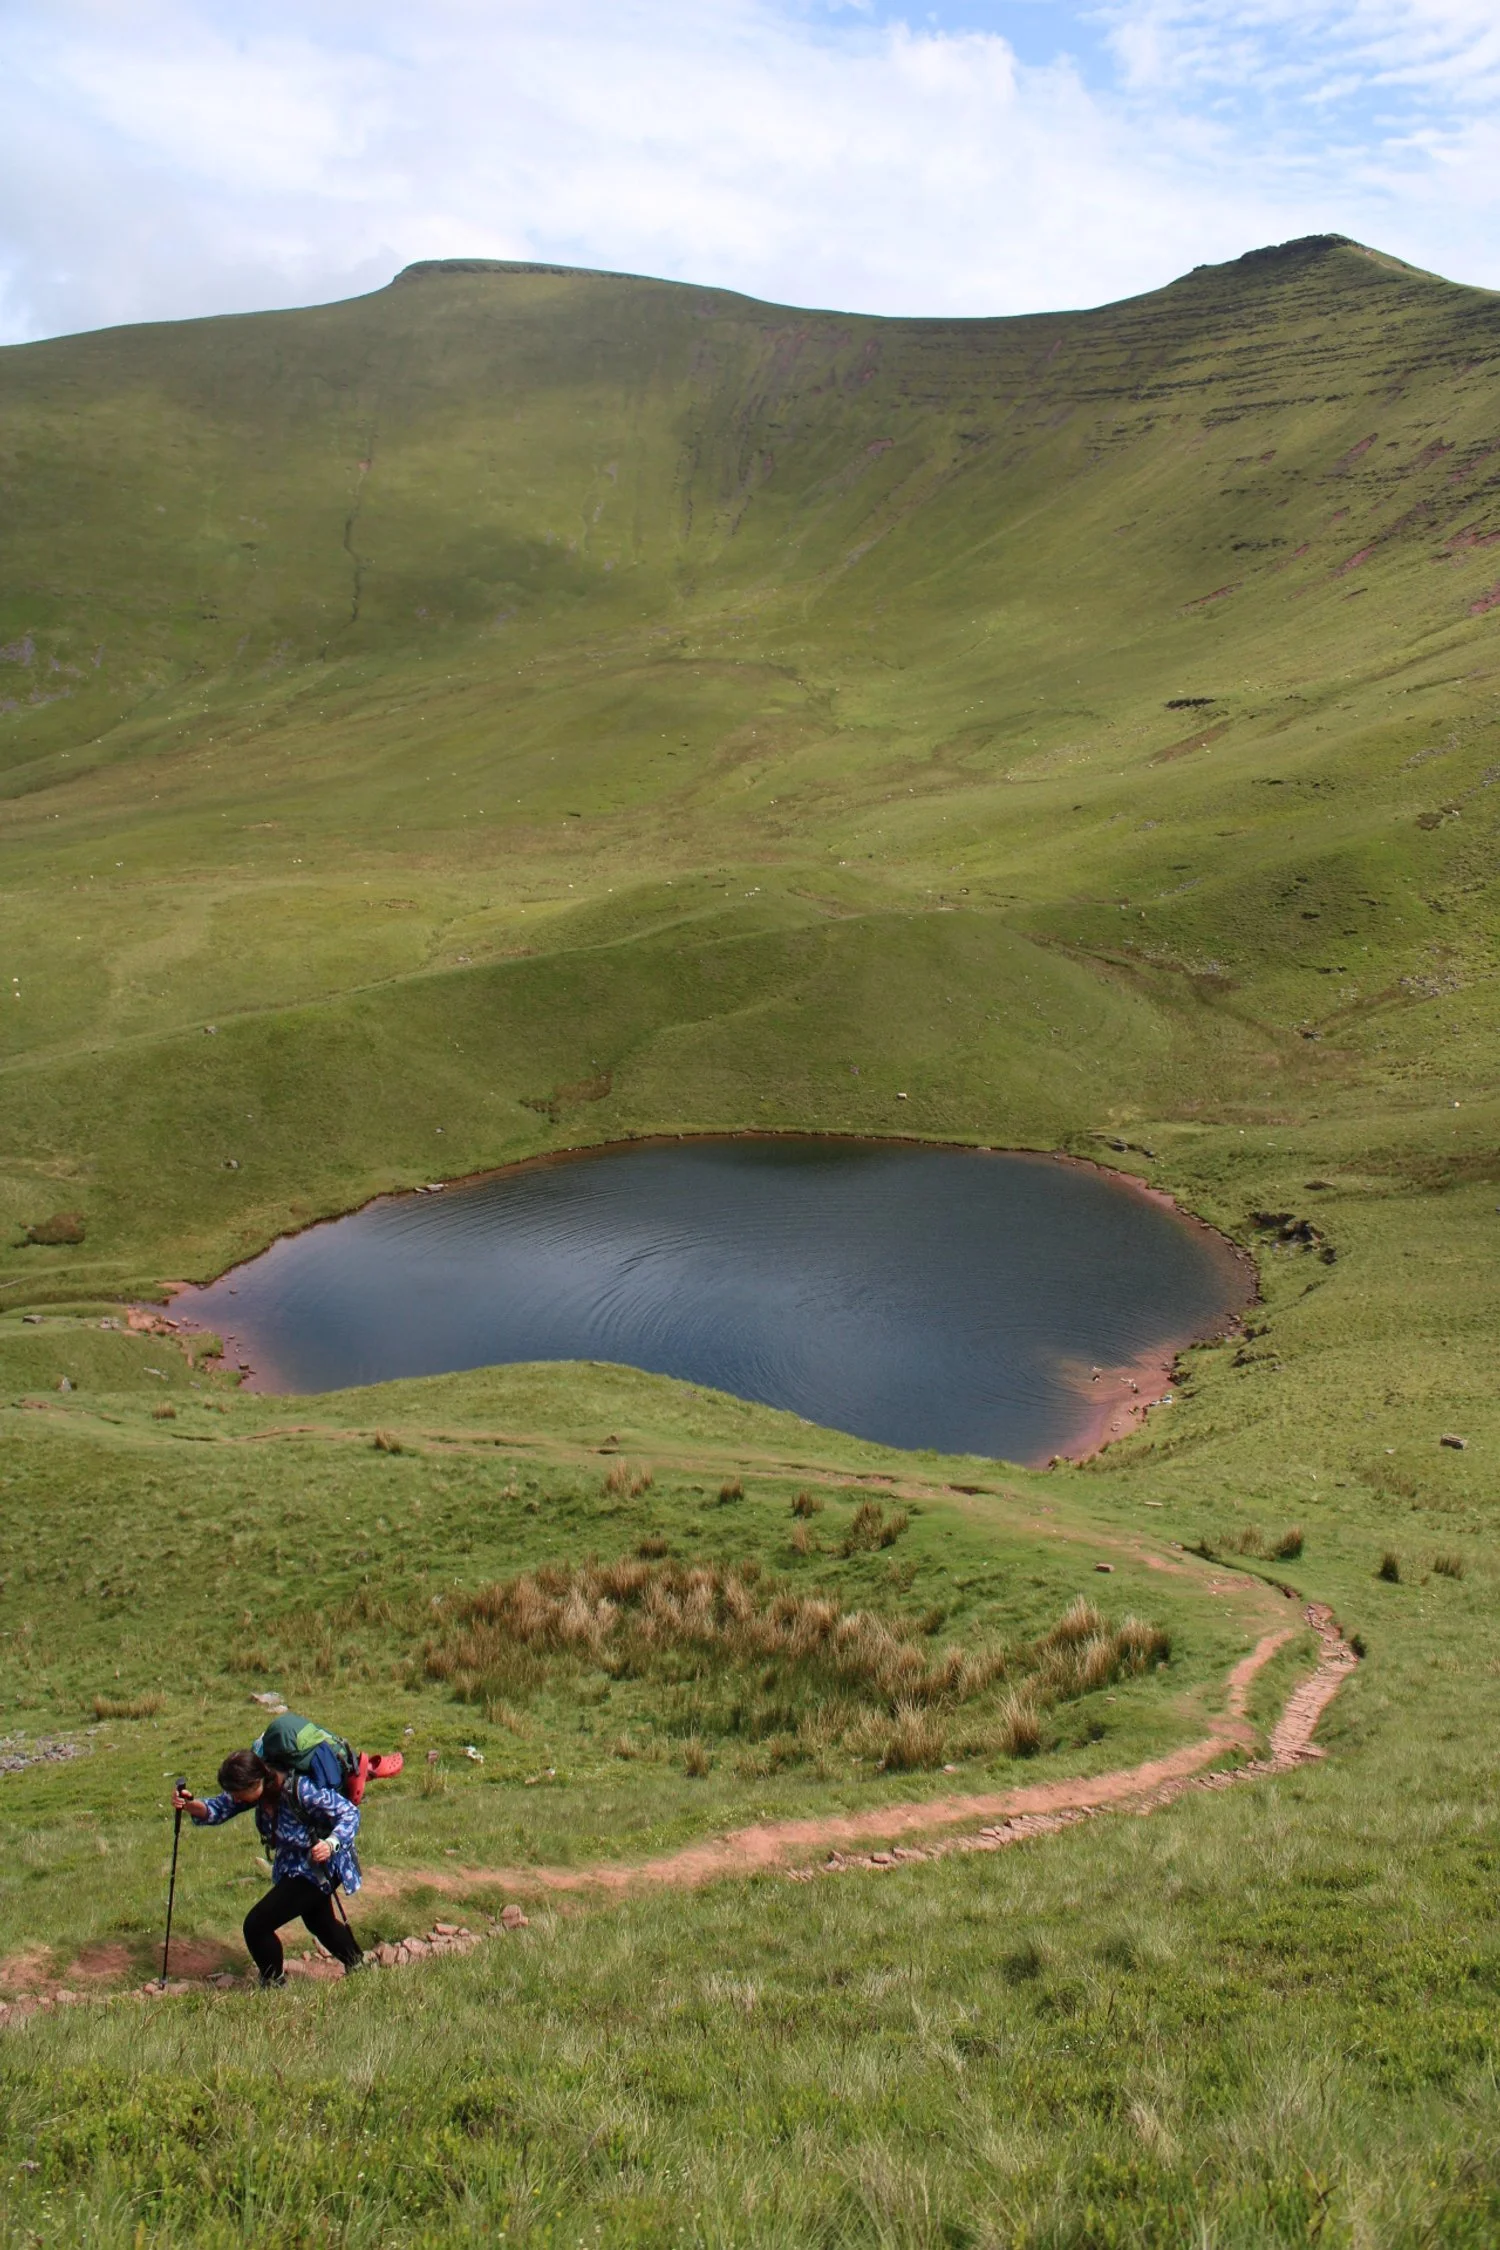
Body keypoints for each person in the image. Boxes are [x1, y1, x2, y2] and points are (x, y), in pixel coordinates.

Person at [173, 1749, 364, 1987]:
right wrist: (190, 1805)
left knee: (257, 1925)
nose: (236, 1798)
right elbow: (217, 1809)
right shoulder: (256, 1791)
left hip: (321, 1867)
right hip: (295, 1867)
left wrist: (330, 1844)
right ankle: (359, 1968)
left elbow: (350, 1813)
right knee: (319, 1921)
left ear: (256, 1781)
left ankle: (273, 1983)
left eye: (239, 1793)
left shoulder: (301, 1789)